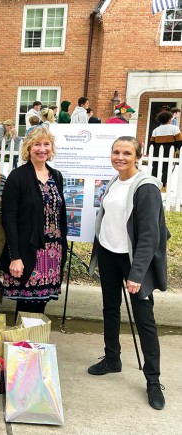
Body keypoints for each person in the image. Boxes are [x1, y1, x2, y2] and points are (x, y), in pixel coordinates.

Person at [87, 136, 168, 411]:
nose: (120, 157)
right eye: (116, 152)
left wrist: (136, 274)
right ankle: (112, 358)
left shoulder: (145, 188)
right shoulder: (113, 182)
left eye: (126, 153)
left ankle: (153, 380)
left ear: (137, 156)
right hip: (110, 255)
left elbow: (149, 236)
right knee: (110, 308)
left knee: (144, 319)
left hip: (134, 262)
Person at [0, 127, 68, 317]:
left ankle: (34, 345)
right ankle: (22, 345)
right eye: (37, 144)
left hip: (53, 253)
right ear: (28, 148)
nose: (42, 149)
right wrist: (15, 256)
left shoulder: (56, 176)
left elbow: (60, 214)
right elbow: (9, 218)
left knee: (41, 306)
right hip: (28, 251)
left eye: (46, 144)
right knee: (26, 308)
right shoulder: (18, 177)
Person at [149, 110, 182, 189]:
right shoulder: (175, 128)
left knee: (155, 168)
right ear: (169, 119)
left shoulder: (156, 130)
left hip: (157, 150)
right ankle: (164, 185)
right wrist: (177, 149)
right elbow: (179, 141)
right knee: (166, 169)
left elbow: (152, 142)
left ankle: (154, 184)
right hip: (169, 150)